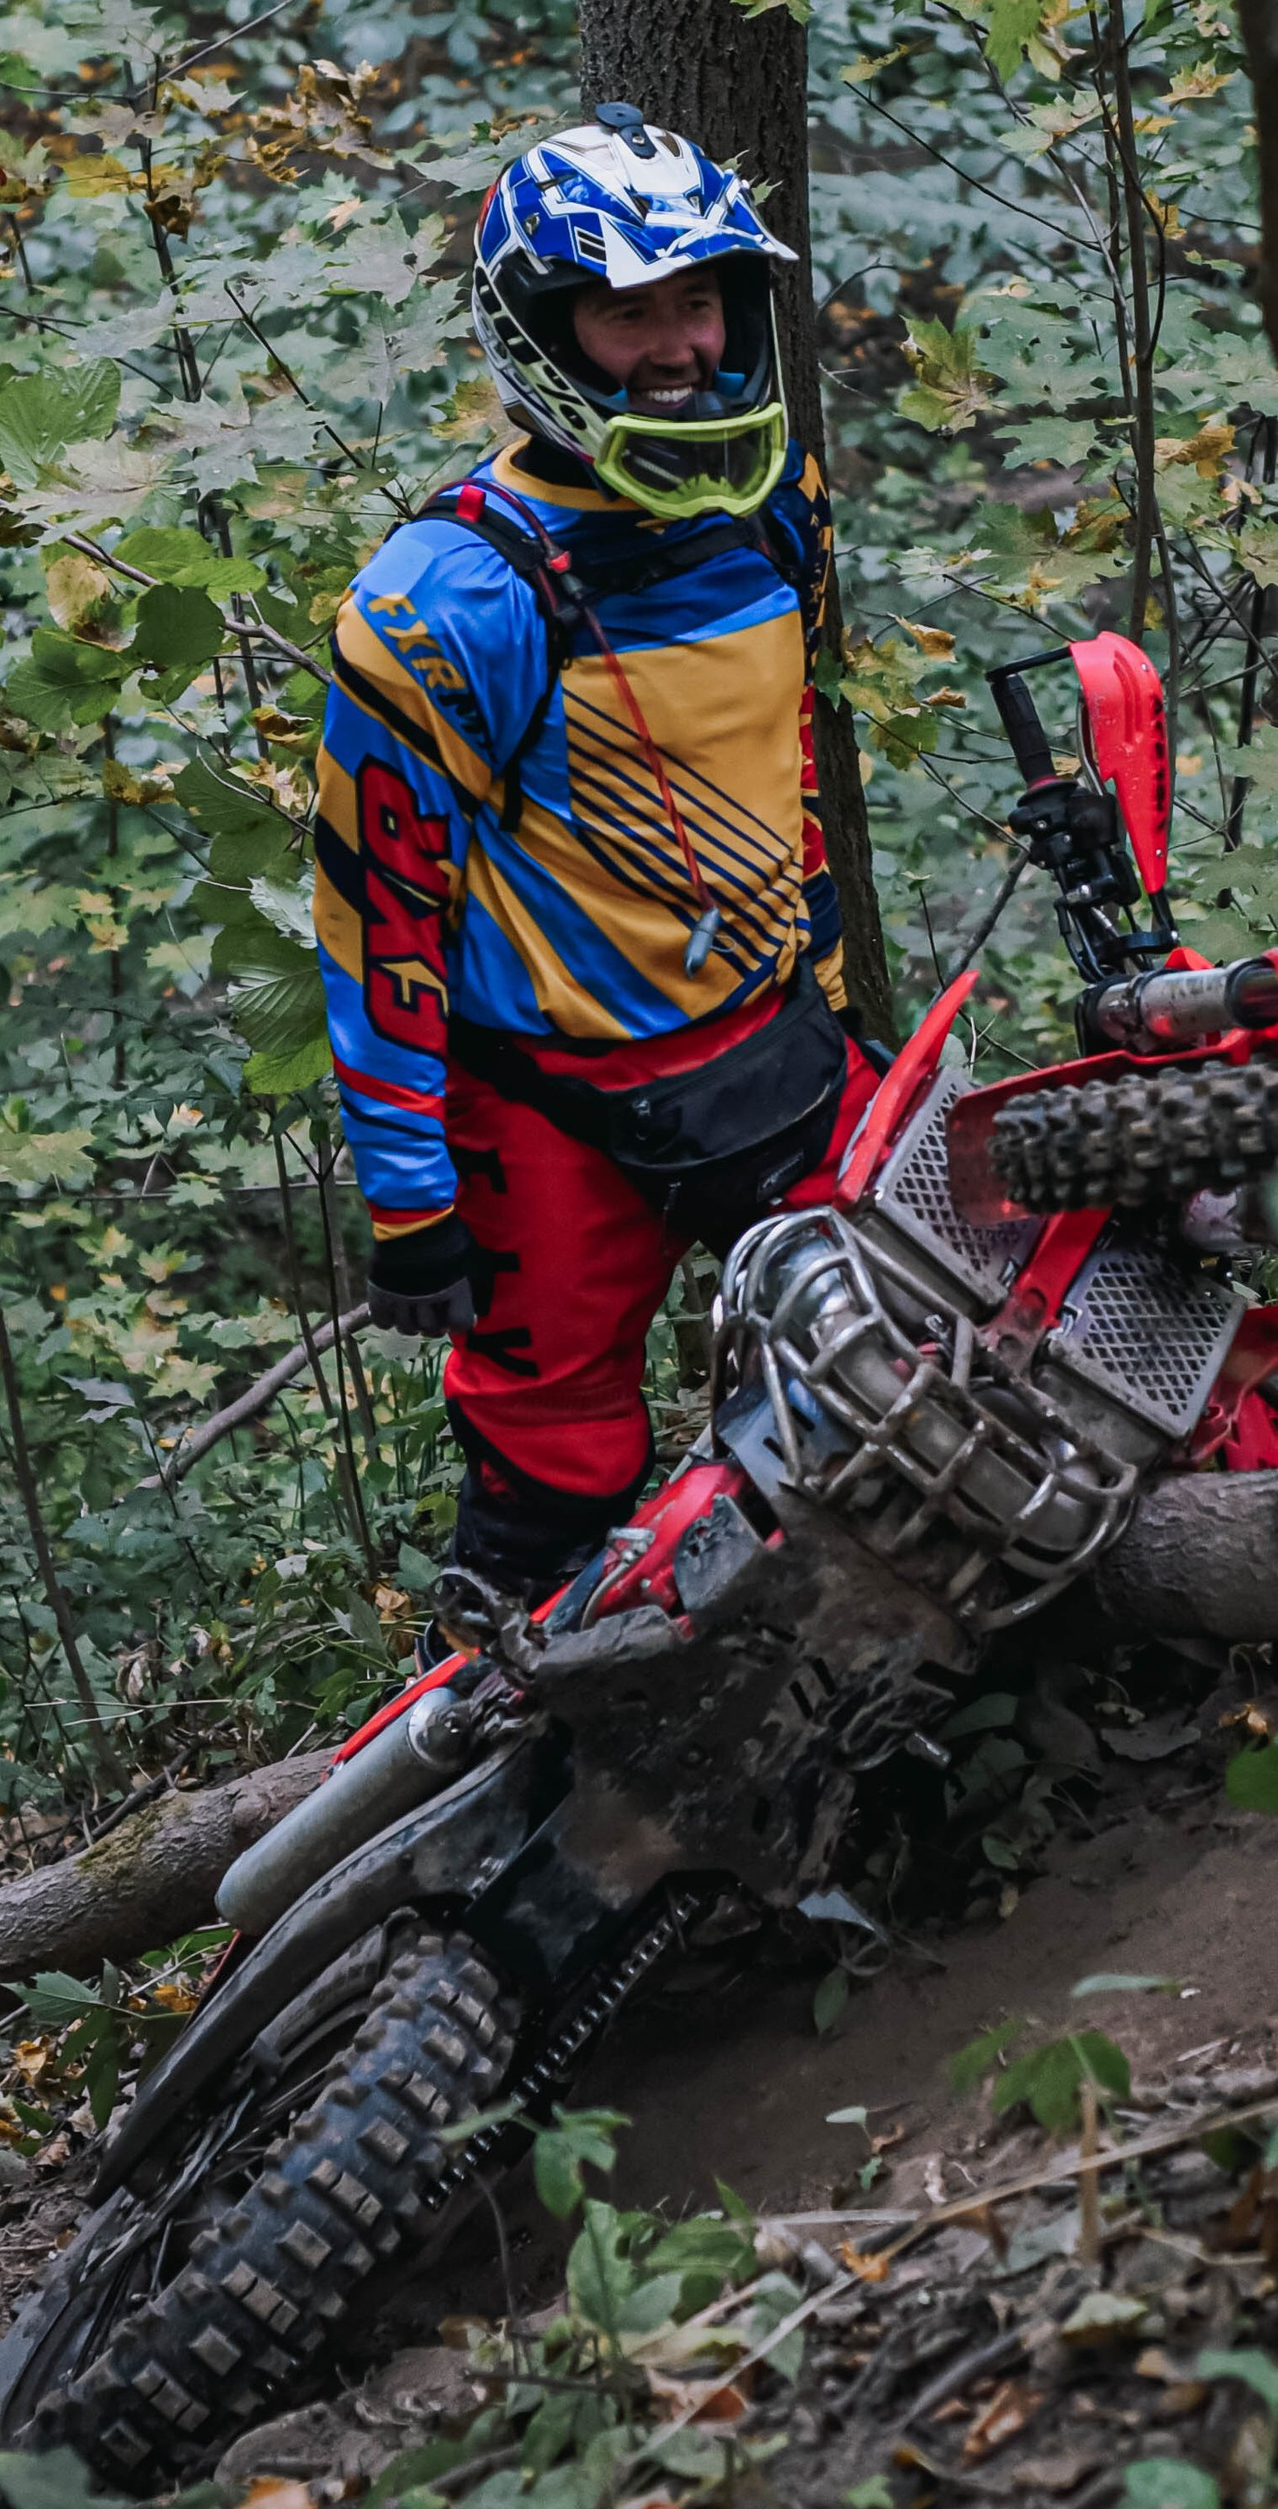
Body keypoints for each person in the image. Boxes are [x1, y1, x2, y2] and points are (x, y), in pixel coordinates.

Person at [313, 104, 884, 1600]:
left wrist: (825, 976)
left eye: (699, 300)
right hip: (554, 1107)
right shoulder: (443, 597)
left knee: (897, 1363)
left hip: (771, 1048)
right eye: (632, 311)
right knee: (551, 1472)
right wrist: (409, 1198)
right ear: (545, 332)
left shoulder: (776, 506)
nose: (680, 344)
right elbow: (379, 921)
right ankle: (479, 1763)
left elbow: (788, 762)